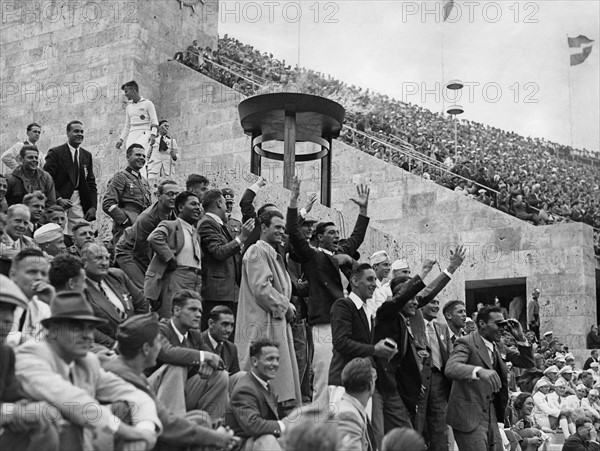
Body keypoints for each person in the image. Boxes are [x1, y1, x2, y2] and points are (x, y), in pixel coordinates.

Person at [15, 291, 161, 450]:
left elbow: (136, 395)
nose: (88, 336)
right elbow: (71, 400)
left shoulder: (86, 361)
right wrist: (123, 430)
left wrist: (143, 430)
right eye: (77, 328)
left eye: (90, 328)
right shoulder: (31, 355)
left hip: (81, 444)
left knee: (127, 410)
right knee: (53, 415)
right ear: (53, 330)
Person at [103, 312, 239, 450]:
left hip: (140, 434)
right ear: (145, 349)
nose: (160, 348)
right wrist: (217, 438)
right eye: (158, 342)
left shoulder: (132, 372)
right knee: (200, 431)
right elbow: (167, 424)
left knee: (200, 418)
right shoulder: (124, 376)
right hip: (128, 441)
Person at [288, 183, 370, 408]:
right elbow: (293, 232)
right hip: (325, 322)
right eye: (331, 233)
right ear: (319, 237)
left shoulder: (342, 254)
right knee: (324, 374)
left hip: (347, 324)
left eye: (337, 232)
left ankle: (343, 420)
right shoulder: (312, 256)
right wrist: (294, 203)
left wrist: (363, 210)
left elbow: (357, 237)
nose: (336, 236)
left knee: (348, 374)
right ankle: (318, 428)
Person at [235, 181, 303, 407]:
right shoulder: (256, 251)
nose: (282, 232)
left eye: (283, 228)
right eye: (277, 227)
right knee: (267, 383)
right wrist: (287, 305)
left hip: (275, 322)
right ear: (263, 227)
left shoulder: (273, 254)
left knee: (279, 383)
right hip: (261, 324)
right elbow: (262, 289)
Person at [445, 306, 535, 451]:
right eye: (498, 324)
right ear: (482, 324)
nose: (503, 329)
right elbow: (451, 367)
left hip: (492, 414)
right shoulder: (466, 343)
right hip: (469, 415)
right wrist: (479, 371)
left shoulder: (498, 345)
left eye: (504, 324)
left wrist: (520, 338)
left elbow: (527, 362)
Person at [0, 274, 61, 451]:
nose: (7, 318)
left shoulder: (5, 353)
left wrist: (25, 409)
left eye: (11, 310)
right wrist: (14, 413)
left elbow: (15, 397)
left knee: (46, 424)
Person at [148, 289, 229, 421]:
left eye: (200, 311)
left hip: (182, 392)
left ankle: (210, 427)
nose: (198, 315)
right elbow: (167, 353)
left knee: (220, 376)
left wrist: (207, 364)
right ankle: (174, 427)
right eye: (193, 309)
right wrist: (202, 357)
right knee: (177, 366)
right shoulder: (160, 328)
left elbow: (217, 362)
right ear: (176, 311)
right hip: (151, 393)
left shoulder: (194, 335)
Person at [328, 263, 397, 396]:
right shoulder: (343, 305)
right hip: (342, 383)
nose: (375, 284)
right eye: (370, 279)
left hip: (362, 384)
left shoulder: (367, 311)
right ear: (354, 281)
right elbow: (341, 342)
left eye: (375, 280)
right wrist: (375, 350)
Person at [198, 188, 254, 326]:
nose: (227, 208)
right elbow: (219, 252)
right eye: (224, 203)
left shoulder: (218, 224)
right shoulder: (207, 223)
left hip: (228, 292)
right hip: (217, 293)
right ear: (218, 203)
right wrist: (242, 237)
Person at [145, 191, 202, 318]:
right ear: (181, 207)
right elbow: (154, 237)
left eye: (199, 205)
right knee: (173, 317)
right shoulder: (170, 225)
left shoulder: (195, 233)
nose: (198, 208)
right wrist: (170, 258)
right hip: (178, 277)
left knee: (191, 319)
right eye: (193, 204)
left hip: (196, 280)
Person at [225, 338, 288, 451]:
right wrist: (284, 425)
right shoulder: (245, 389)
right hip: (241, 446)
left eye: (277, 359)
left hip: (256, 442)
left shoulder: (266, 384)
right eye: (270, 359)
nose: (275, 364)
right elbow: (253, 425)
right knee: (267, 439)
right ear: (254, 361)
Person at [115, 179, 179, 288]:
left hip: (146, 250)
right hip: (128, 251)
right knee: (145, 288)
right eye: (170, 194)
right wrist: (153, 275)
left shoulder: (174, 212)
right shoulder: (147, 218)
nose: (174, 198)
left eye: (177, 194)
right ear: (158, 195)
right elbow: (141, 252)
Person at [82, 243, 147, 348]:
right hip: (109, 348)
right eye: (98, 258)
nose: (104, 263)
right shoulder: (80, 288)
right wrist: (114, 345)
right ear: (84, 262)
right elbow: (85, 326)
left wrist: (139, 327)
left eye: (107, 258)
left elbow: (141, 303)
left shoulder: (117, 275)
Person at [44, 120, 98, 233]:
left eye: (82, 132)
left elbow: (91, 183)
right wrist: (58, 198)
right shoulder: (55, 153)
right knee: (58, 230)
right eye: (76, 131)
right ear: (68, 133)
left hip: (78, 200)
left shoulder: (86, 155)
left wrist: (93, 206)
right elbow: (47, 179)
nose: (79, 134)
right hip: (59, 200)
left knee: (79, 230)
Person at [102, 143, 151, 245]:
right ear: (128, 157)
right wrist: (125, 221)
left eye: (143, 156)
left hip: (142, 230)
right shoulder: (121, 177)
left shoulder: (144, 182)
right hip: (125, 230)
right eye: (138, 155)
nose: (141, 158)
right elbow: (108, 203)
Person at [5, 248, 53, 345]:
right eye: (32, 272)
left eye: (43, 273)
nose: (39, 277)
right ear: (13, 274)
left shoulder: (44, 307)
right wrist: (23, 340)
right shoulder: (3, 298)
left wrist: (53, 302)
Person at [116, 80, 158, 158]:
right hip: (132, 133)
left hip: (144, 132)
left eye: (126, 91)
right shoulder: (129, 107)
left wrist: (153, 135)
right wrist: (121, 139)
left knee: (140, 155)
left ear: (133, 90)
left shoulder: (148, 103)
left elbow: (154, 121)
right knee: (130, 155)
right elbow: (127, 125)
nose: (125, 94)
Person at [201, 305, 242, 379]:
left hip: (224, 387)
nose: (229, 330)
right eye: (225, 324)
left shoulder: (231, 348)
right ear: (211, 324)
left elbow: (235, 376)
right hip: (202, 386)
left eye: (232, 325)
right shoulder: (196, 341)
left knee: (241, 375)